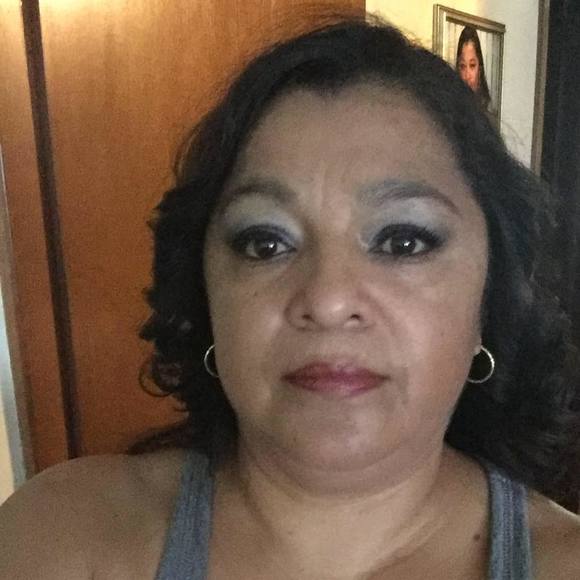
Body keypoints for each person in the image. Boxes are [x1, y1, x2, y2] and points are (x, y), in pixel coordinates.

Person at [1, 15, 580, 580]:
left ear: (491, 295)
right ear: (206, 294)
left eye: (403, 241)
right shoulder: (61, 537)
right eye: (265, 243)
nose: (327, 300)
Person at [456, 26, 492, 113]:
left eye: (472, 65)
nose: (467, 75)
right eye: (462, 66)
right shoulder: (449, 112)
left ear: (479, 70)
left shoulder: (487, 117)